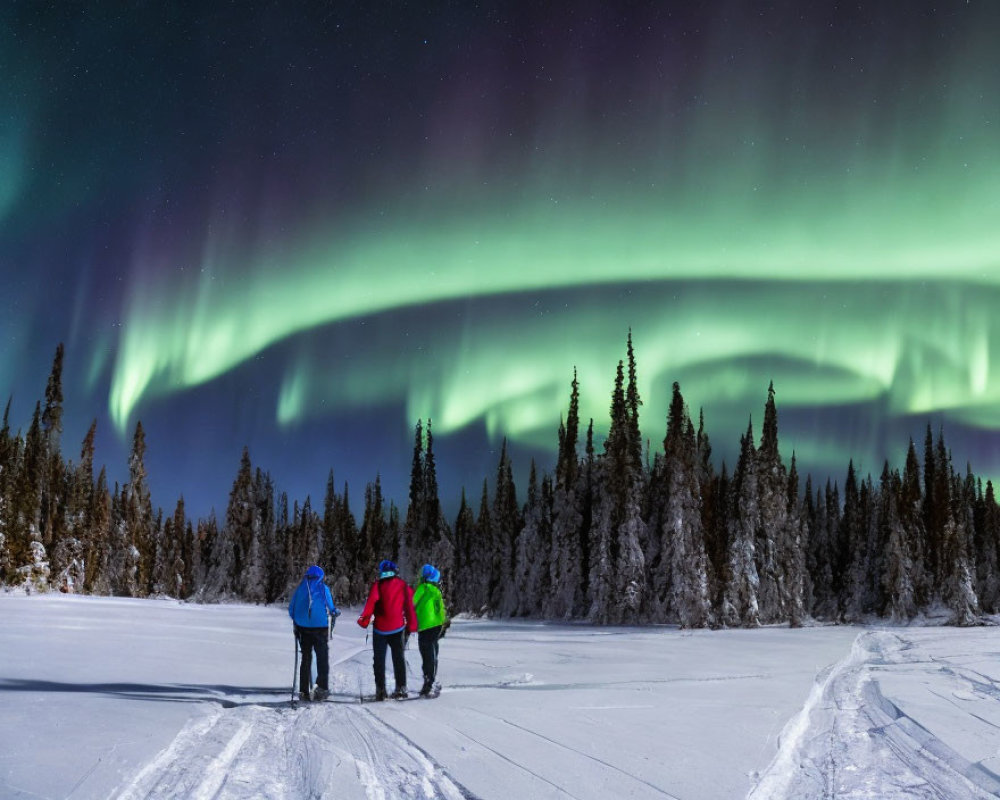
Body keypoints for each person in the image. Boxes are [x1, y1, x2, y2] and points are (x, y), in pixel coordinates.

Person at [357, 559, 417, 700]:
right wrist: (412, 624)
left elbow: (371, 603)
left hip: (380, 629)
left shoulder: (377, 585)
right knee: (399, 659)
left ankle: (381, 690)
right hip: (397, 628)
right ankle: (401, 688)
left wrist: (364, 619)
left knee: (379, 660)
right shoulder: (402, 585)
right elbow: (409, 605)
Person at [288, 565, 340, 701]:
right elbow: (331, 607)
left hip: (303, 629)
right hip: (320, 628)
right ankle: (321, 688)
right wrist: (335, 612)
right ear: (320, 577)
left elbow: (291, 609)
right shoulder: (323, 588)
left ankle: (303, 691)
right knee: (322, 657)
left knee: (306, 657)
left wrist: (298, 621)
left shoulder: (300, 589)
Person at [412, 563, 448, 696]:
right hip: (436, 626)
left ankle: (429, 682)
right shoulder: (436, 591)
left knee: (427, 654)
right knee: (433, 653)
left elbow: (412, 602)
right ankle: (431, 680)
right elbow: (441, 610)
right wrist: (443, 624)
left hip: (424, 626)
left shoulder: (422, 588)